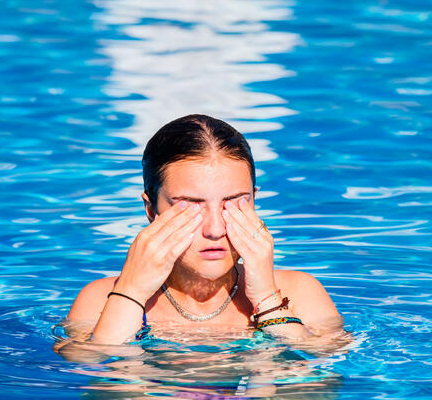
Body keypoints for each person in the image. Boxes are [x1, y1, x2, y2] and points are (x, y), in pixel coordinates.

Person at [63, 114, 345, 348]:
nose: (215, 229)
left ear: (254, 201)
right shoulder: (101, 300)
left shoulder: (300, 293)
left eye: (234, 204)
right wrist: (131, 292)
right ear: (151, 210)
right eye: (190, 206)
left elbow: (318, 385)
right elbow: (94, 374)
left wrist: (267, 300)